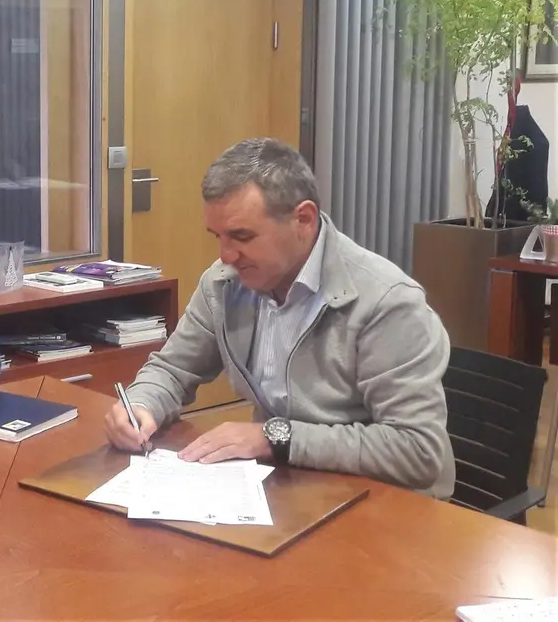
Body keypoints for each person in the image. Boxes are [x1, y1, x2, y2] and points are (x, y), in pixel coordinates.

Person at [105, 137, 455, 499]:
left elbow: (417, 450)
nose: (226, 256)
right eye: (218, 237)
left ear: (302, 219)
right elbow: (173, 369)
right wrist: (141, 405)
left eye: (242, 236)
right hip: (287, 488)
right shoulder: (224, 284)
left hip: (385, 508)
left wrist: (275, 437)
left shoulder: (386, 302)